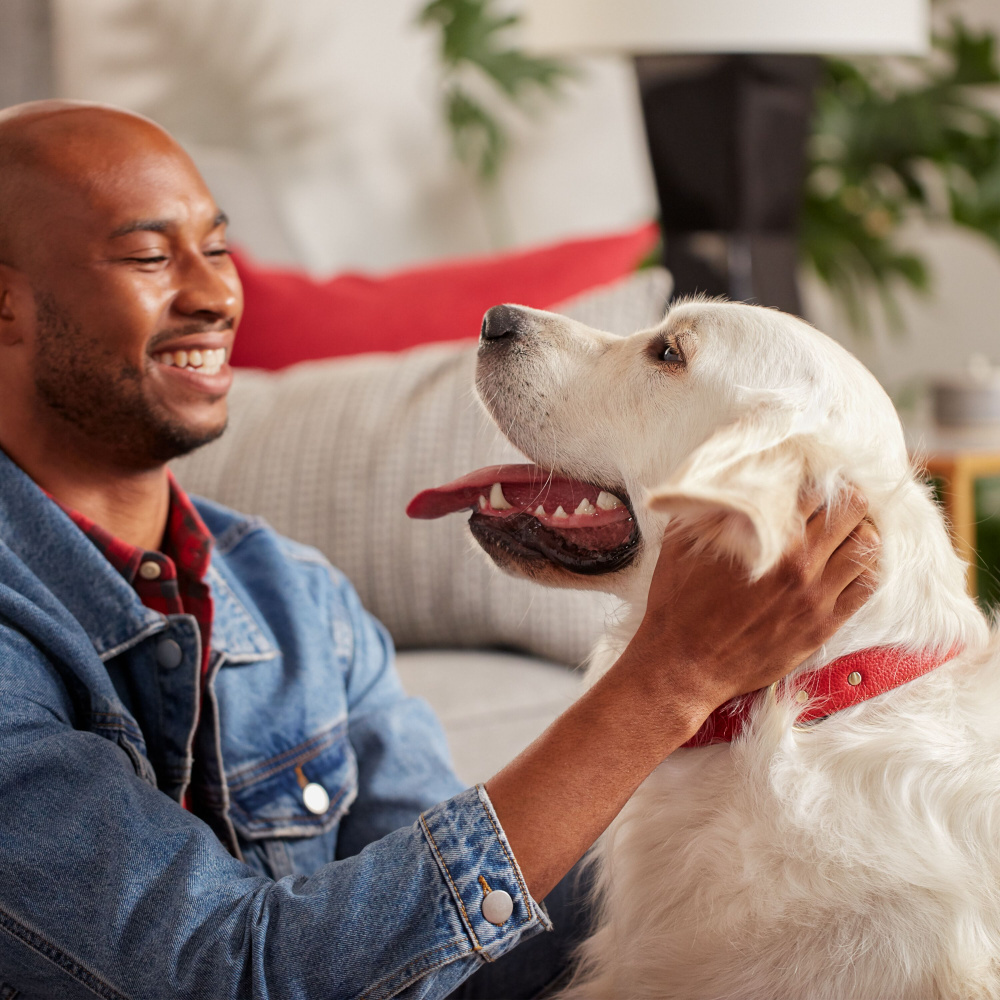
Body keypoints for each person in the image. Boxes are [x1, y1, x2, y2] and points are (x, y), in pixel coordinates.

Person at [0, 100, 879, 1000]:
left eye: (217, 249)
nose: (216, 296)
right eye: (150, 256)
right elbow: (226, 976)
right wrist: (668, 681)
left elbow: (462, 940)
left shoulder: (296, 601)